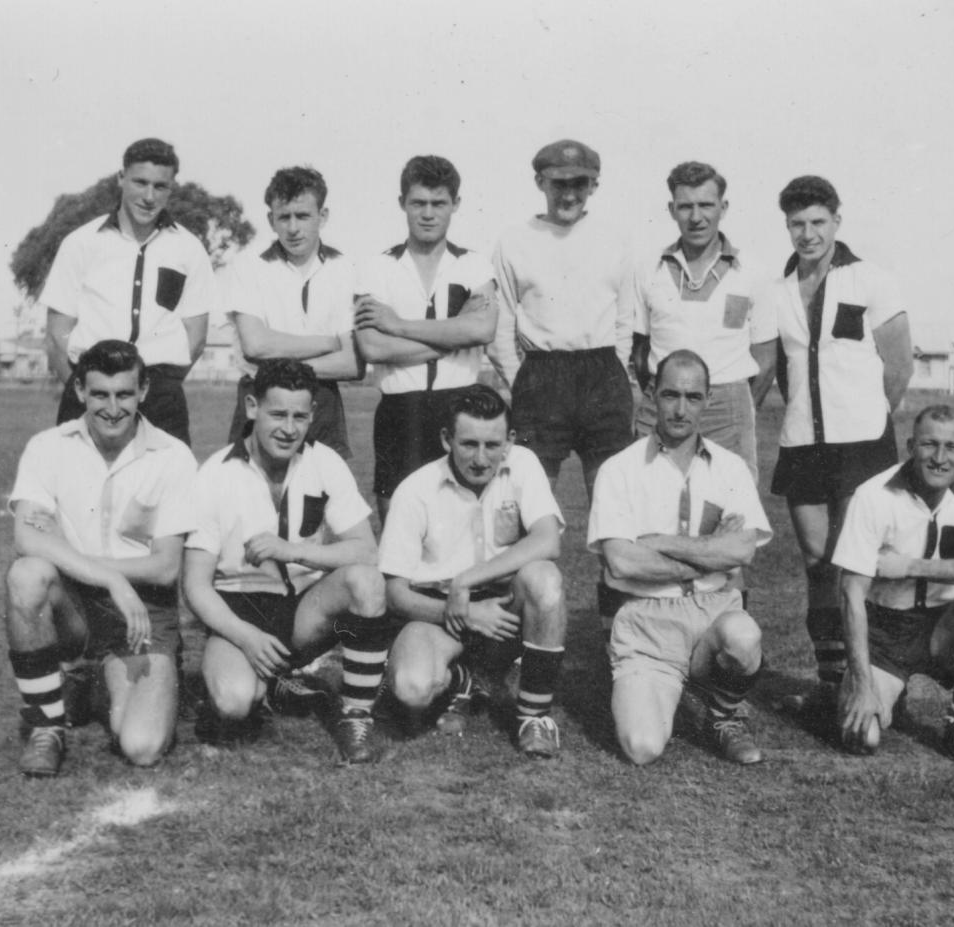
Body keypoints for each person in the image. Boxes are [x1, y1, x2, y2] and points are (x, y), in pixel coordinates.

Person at [181, 359, 396, 764]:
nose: (288, 428)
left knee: (366, 582)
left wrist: (294, 550)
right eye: (277, 414)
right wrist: (245, 636)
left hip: (302, 611)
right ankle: (265, 682)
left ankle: (356, 717)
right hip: (239, 609)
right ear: (251, 407)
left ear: (313, 415)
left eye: (300, 416)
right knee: (233, 703)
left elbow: (366, 550)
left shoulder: (323, 461)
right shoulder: (214, 475)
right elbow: (194, 585)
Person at [3, 340, 198, 777]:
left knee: (142, 745)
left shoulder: (173, 456)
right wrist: (110, 579)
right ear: (79, 393)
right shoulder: (47, 446)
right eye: (100, 395)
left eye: (124, 394)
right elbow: (26, 538)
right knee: (27, 575)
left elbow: (166, 567)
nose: (112, 408)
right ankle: (46, 728)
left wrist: (91, 566)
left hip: (143, 614)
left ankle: (95, 684)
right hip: (76, 607)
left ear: (143, 392)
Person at [760, 175, 913, 694]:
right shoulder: (777, 292)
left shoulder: (870, 280)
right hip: (802, 443)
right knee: (816, 564)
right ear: (787, 227)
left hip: (862, 444)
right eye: (797, 224)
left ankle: (862, 679)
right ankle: (829, 683)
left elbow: (899, 366)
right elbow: (779, 368)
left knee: (855, 564)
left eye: (818, 222)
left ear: (837, 222)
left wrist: (868, 417)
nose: (808, 234)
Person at [587, 351, 774, 766]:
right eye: (671, 395)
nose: (681, 408)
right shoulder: (619, 469)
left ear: (708, 400)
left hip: (713, 612)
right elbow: (622, 563)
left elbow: (742, 550)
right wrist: (712, 555)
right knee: (642, 747)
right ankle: (669, 684)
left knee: (744, 638)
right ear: (652, 394)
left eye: (693, 397)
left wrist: (659, 541)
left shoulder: (731, 469)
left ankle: (722, 716)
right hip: (646, 620)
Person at [379, 384, 569, 757]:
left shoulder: (523, 463)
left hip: (501, 608)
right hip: (439, 613)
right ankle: (461, 680)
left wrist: (467, 580)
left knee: (544, 579)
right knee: (411, 689)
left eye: (492, 445)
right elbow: (395, 593)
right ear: (446, 439)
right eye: (468, 444)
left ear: (510, 440)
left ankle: (534, 716)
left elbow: (548, 541)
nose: (481, 459)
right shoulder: (415, 491)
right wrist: (464, 612)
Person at [831, 405, 954, 767]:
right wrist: (863, 685)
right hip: (884, 634)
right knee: (862, 738)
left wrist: (910, 567)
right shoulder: (873, 495)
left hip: (940, 631)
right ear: (911, 445)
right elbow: (851, 596)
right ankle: (865, 691)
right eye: (929, 445)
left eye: (952, 448)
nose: (940, 458)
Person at [40, 138, 218, 447]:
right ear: (121, 178)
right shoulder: (81, 243)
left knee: (168, 491)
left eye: (160, 186)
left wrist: (157, 385)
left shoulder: (189, 249)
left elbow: (196, 337)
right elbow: (58, 335)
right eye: (140, 182)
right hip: (91, 391)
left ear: (171, 187)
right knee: (78, 489)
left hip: (160, 395)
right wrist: (84, 389)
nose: (149, 197)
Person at [354, 155, 499, 519]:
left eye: (439, 203)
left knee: (463, 520)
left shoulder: (473, 264)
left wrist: (398, 325)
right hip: (400, 409)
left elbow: (482, 329)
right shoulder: (378, 267)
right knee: (396, 520)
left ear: (456, 205)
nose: (428, 214)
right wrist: (455, 333)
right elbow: (373, 347)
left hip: (460, 406)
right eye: (418, 203)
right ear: (402, 203)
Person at [490, 138, 635, 501]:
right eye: (559, 184)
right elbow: (501, 323)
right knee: (531, 501)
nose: (569, 195)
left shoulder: (615, 239)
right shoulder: (514, 241)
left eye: (579, 185)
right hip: (541, 375)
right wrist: (519, 378)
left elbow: (625, 319)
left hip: (602, 372)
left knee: (613, 501)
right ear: (540, 182)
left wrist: (613, 368)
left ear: (594, 186)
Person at [630, 162, 777, 480]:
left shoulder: (752, 271)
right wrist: (664, 393)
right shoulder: (647, 269)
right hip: (662, 405)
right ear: (671, 209)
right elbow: (640, 352)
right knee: (650, 503)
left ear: (723, 207)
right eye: (686, 206)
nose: (696, 217)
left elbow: (766, 360)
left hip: (728, 408)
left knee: (729, 511)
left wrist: (739, 408)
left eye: (706, 205)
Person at [222, 166, 361, 457]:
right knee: (251, 494)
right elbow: (255, 344)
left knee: (321, 497)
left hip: (321, 401)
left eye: (303, 216)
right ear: (271, 220)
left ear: (322, 217)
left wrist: (279, 358)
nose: (293, 228)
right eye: (284, 217)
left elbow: (352, 363)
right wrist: (329, 342)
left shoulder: (345, 269)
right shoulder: (249, 264)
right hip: (261, 396)